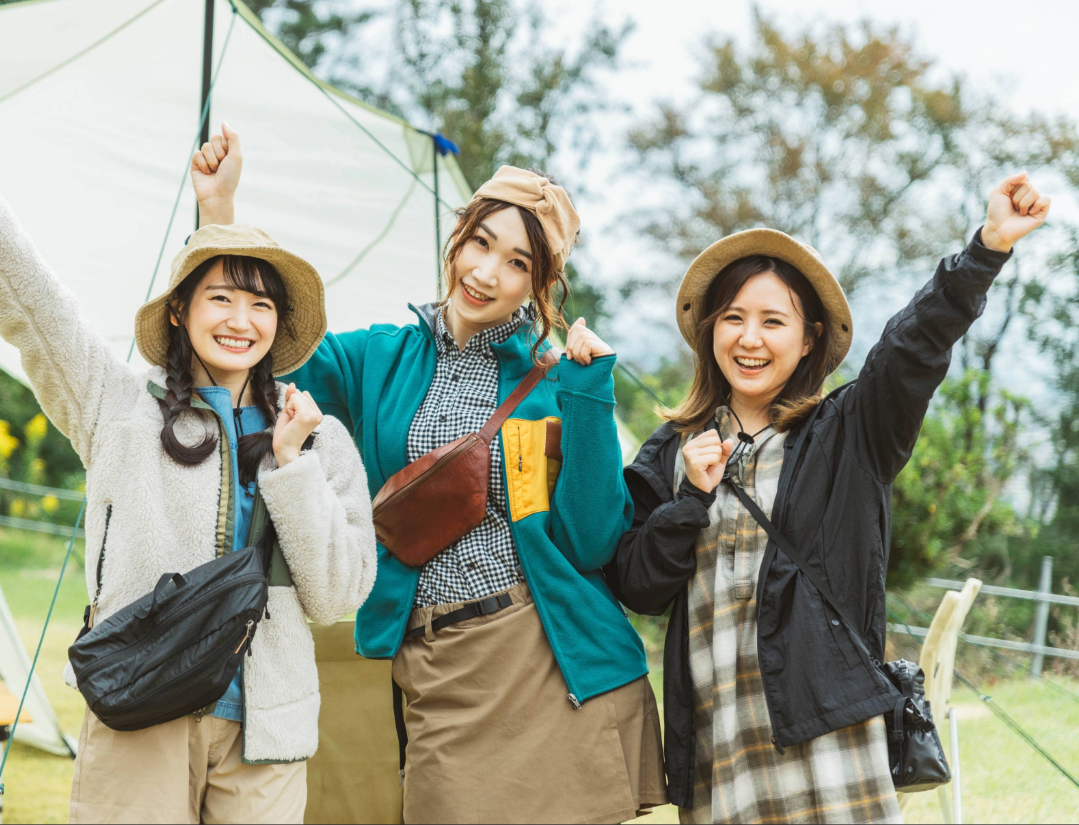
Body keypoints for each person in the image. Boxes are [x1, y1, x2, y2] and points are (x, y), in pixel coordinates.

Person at [0, 111, 377, 825]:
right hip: (141, 705)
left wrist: (292, 465)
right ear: (179, 312)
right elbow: (35, 309)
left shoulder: (319, 440)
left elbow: (336, 597)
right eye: (220, 298)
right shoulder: (118, 409)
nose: (240, 320)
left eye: (260, 305)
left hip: (267, 732)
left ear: (277, 325)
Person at [197, 141, 666, 824]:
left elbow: (593, 540)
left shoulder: (559, 383)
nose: (486, 273)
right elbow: (255, 343)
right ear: (458, 237)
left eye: (518, 263)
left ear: (541, 284)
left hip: (544, 653)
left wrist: (591, 394)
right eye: (481, 243)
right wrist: (219, 212)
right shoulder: (379, 357)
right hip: (434, 657)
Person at [608, 174, 1053, 823]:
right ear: (709, 330)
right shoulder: (669, 453)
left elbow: (913, 348)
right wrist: (689, 501)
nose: (750, 338)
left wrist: (985, 250)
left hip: (829, 736)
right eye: (733, 318)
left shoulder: (850, 432)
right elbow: (638, 587)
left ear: (810, 338)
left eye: (773, 321)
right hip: (716, 742)